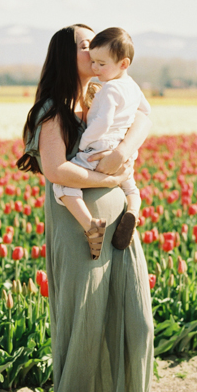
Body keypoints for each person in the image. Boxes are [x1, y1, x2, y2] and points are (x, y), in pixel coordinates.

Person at [16, 24, 155, 392]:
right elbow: (57, 171)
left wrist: (125, 149)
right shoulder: (53, 110)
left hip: (119, 225)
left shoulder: (107, 93)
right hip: (80, 230)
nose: (92, 50)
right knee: (86, 325)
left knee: (136, 321)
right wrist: (106, 177)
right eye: (82, 46)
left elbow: (146, 115)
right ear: (65, 55)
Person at [51, 27, 150, 258]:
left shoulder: (108, 90)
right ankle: (134, 211)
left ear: (123, 63)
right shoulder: (132, 86)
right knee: (130, 186)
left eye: (100, 63)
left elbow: (104, 122)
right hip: (121, 149)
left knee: (63, 187)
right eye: (90, 56)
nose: (94, 66)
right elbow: (145, 111)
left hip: (99, 148)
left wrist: (86, 142)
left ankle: (90, 226)